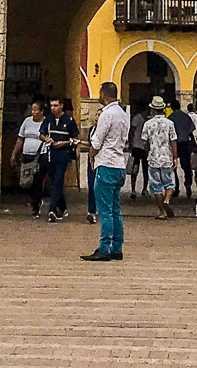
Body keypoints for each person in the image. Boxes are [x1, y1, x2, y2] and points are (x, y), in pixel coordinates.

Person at [82, 81, 129, 262]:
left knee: (105, 211)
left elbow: (96, 142)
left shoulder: (106, 115)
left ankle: (104, 248)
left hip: (106, 164)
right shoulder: (123, 114)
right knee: (115, 209)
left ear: (103, 95)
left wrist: (92, 156)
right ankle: (117, 247)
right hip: (118, 165)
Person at [40, 97, 78, 222]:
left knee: (58, 180)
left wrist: (65, 143)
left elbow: (75, 138)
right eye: (51, 105)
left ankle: (52, 209)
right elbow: (41, 134)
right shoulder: (49, 119)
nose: (53, 108)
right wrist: (47, 139)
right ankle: (62, 206)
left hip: (63, 154)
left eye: (56, 105)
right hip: (51, 154)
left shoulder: (69, 120)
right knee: (53, 181)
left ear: (61, 106)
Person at [142, 97, 178, 219]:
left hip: (153, 159)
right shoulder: (170, 124)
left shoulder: (147, 124)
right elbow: (173, 141)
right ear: (163, 109)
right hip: (167, 157)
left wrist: (149, 152)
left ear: (152, 109)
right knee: (169, 183)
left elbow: (144, 142)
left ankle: (162, 212)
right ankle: (167, 200)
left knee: (156, 186)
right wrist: (175, 157)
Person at [16, 100, 47, 216]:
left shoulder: (46, 123)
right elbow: (20, 138)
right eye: (32, 110)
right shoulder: (27, 121)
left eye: (35, 110)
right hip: (27, 154)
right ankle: (33, 199)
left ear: (42, 111)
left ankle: (36, 204)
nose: (33, 112)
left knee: (38, 181)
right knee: (26, 180)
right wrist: (15, 153)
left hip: (40, 155)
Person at [173, 95, 197, 202]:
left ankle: (176, 187)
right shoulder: (185, 117)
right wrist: (194, 144)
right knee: (186, 166)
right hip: (185, 144)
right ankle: (188, 184)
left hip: (174, 144)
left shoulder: (171, 118)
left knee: (173, 166)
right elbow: (191, 131)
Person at [126, 102, 148, 196]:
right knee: (135, 168)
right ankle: (133, 189)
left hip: (144, 147)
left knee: (145, 169)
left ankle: (144, 188)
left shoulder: (146, 119)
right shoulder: (137, 118)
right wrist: (130, 143)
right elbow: (131, 131)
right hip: (137, 146)